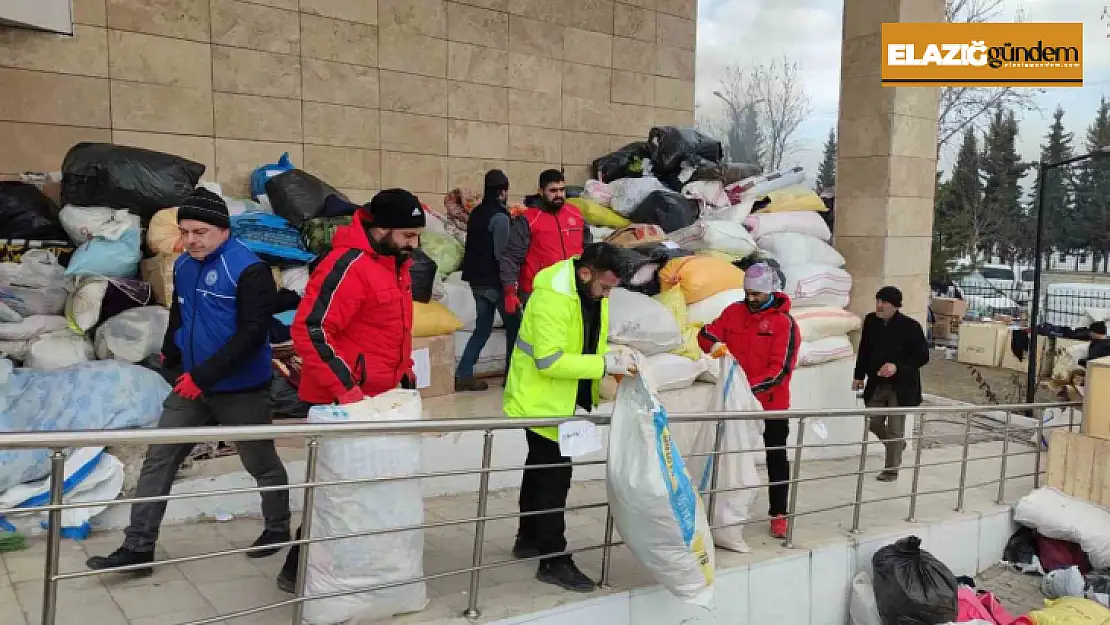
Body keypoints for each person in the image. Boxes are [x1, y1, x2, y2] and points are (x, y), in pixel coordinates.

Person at [87, 189, 290, 576]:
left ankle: (278, 529)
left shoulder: (250, 270)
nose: (192, 239)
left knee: (260, 462)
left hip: (241, 388)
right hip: (191, 385)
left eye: (201, 231)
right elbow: (178, 313)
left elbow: (251, 335)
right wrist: (171, 354)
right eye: (186, 232)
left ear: (223, 230)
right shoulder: (183, 265)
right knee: (159, 459)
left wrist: (203, 376)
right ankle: (138, 548)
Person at [276, 189, 426, 593]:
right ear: (380, 229)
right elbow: (310, 329)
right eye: (408, 236)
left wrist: (406, 376)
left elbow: (393, 329)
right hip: (343, 400)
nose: (415, 245)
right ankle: (300, 569)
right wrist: (347, 390)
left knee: (362, 495)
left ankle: (355, 568)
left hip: (380, 400)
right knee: (334, 492)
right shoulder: (349, 264)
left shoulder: (395, 264)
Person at [504, 242, 637, 592]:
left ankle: (529, 538)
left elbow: (588, 341)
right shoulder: (553, 296)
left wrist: (610, 358)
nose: (607, 296)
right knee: (554, 479)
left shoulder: (590, 294)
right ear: (585, 272)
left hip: (560, 399)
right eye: (605, 287)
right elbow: (549, 361)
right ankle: (553, 559)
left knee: (539, 470)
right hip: (542, 400)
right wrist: (603, 364)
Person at [697, 262, 799, 539]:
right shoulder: (734, 312)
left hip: (770, 403)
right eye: (748, 293)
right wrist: (714, 344)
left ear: (771, 291)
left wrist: (746, 390)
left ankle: (779, 514)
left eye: (757, 294)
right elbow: (706, 333)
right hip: (735, 401)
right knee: (724, 453)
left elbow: (780, 371)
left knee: (776, 457)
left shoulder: (784, 323)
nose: (751, 299)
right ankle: (714, 508)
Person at [500, 170, 592, 354]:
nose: (559, 195)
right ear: (541, 191)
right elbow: (511, 258)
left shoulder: (576, 215)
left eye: (562, 190)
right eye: (553, 190)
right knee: (534, 346)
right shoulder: (528, 220)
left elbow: (588, 251)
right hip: (537, 294)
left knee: (568, 343)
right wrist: (510, 290)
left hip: (571, 292)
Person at [852, 286, 930, 482]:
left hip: (901, 387)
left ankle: (891, 470)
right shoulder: (871, 321)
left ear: (895, 305)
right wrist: (858, 375)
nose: (879, 305)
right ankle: (897, 444)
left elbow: (922, 357)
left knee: (896, 428)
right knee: (873, 422)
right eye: (877, 301)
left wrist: (897, 367)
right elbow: (864, 349)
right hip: (877, 383)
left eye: (884, 302)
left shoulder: (910, 327)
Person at [455, 169, 520, 391]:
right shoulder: (500, 217)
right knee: (515, 326)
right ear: (503, 192)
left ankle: (464, 373)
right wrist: (510, 285)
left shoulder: (477, 213)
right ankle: (512, 376)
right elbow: (502, 254)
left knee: (482, 328)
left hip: (476, 281)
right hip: (494, 282)